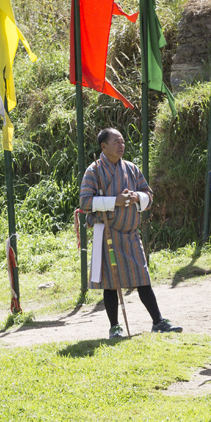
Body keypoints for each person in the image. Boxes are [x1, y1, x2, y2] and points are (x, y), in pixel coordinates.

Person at [80, 128, 182, 338]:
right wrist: (114, 201)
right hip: (107, 233)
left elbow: (148, 195)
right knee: (110, 282)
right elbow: (85, 202)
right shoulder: (94, 171)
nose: (121, 145)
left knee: (142, 277)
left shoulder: (131, 169)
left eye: (123, 141)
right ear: (103, 146)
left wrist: (137, 197)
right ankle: (114, 327)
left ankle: (158, 321)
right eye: (116, 142)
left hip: (130, 233)